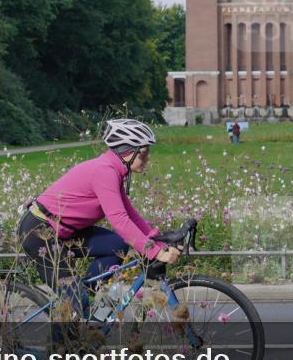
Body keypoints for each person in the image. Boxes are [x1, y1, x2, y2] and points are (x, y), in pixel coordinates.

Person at [17, 118, 181, 322]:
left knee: (117, 245)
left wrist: (154, 240)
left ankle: (86, 294)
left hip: (65, 230)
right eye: (145, 152)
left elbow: (130, 213)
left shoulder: (114, 170)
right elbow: (119, 220)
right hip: (39, 233)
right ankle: (62, 349)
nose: (147, 158)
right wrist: (153, 251)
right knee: (76, 301)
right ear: (128, 152)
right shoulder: (105, 171)